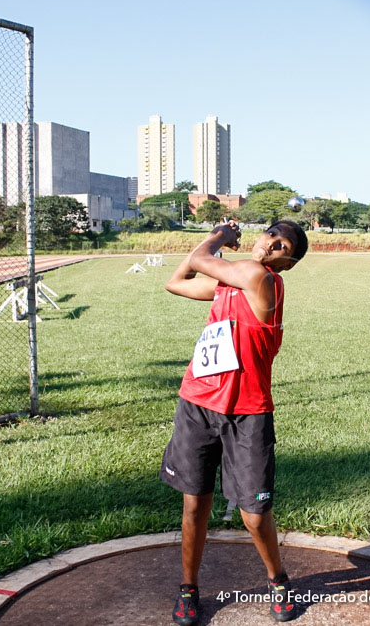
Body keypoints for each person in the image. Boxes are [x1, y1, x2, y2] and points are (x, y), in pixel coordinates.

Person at [161, 219, 308, 625]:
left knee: (254, 514)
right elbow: (177, 281)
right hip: (198, 402)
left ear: (288, 261)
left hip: (248, 412)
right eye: (271, 233)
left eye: (283, 244)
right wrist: (214, 248)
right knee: (195, 504)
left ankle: (278, 580)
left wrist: (221, 236)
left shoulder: (262, 280)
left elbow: (198, 259)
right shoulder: (232, 283)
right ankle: (188, 588)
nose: (273, 242)